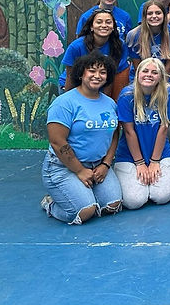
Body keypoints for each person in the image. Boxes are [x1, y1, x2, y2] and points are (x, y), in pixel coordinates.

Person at [40, 52, 121, 224]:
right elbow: (57, 141)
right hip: (63, 167)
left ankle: (81, 193)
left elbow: (114, 134)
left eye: (103, 72)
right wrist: (79, 170)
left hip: (97, 164)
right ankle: (50, 204)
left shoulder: (110, 103)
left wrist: (106, 164)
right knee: (85, 212)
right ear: (81, 74)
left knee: (113, 205)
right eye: (92, 71)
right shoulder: (64, 103)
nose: (97, 76)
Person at [112, 58, 170, 209]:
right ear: (137, 74)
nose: (149, 75)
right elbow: (129, 132)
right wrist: (140, 163)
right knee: (134, 201)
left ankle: (167, 186)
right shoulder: (126, 95)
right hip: (130, 155)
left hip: (160, 153)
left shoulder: (169, 93)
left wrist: (155, 161)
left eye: (154, 72)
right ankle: (141, 183)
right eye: (145, 71)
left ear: (161, 76)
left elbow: (164, 128)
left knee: (162, 196)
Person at [60, 9, 130, 97]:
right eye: (99, 22)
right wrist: (69, 101)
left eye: (108, 22)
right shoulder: (76, 46)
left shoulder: (119, 46)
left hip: (98, 88)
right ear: (91, 27)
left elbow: (110, 77)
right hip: (72, 87)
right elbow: (70, 76)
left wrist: (105, 102)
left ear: (113, 27)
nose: (104, 25)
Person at [125, 0, 170, 78]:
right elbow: (137, 67)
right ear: (144, 17)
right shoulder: (133, 35)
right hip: (140, 77)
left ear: (164, 15)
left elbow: (169, 65)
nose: (154, 16)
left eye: (158, 13)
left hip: (164, 76)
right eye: (150, 13)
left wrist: (161, 84)